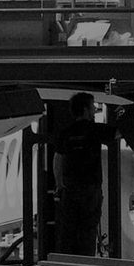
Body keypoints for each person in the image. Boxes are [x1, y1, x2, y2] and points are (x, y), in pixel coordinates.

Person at [52, 92, 117, 257]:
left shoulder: (65, 132)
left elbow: (58, 158)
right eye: (93, 106)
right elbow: (117, 133)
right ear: (86, 109)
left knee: (68, 231)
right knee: (88, 230)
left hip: (70, 189)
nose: (94, 110)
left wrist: (59, 184)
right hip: (90, 189)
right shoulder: (95, 129)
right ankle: (86, 265)